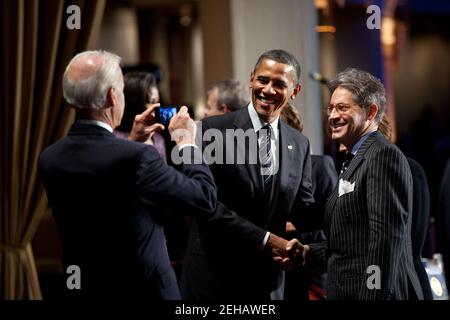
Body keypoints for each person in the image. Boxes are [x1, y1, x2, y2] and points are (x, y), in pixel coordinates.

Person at [38, 50, 217, 299]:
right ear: (113, 96)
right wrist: (186, 143)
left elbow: (107, 199)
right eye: (121, 89)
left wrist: (134, 141)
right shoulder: (138, 157)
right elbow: (204, 197)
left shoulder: (50, 157)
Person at [180, 49, 316, 300]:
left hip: (268, 282)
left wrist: (299, 246)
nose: (268, 90)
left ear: (294, 91)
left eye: (279, 84)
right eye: (263, 80)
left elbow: (302, 210)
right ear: (252, 78)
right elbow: (207, 206)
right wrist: (268, 240)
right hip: (215, 278)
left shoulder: (299, 144)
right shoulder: (213, 130)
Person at [306, 68, 423, 300]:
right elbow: (353, 242)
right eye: (331, 108)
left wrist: (372, 296)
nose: (332, 116)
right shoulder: (353, 160)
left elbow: (384, 243)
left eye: (342, 108)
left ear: (370, 112)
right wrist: (307, 253)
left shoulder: (381, 156)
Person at [281, 103, 337, 300]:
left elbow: (334, 223)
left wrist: (295, 226)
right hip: (280, 277)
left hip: (313, 278)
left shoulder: (320, 166)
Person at [115, 71, 167, 162]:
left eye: (158, 101)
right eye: (151, 101)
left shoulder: (158, 138)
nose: (157, 107)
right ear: (134, 103)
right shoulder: (115, 139)